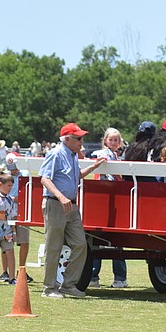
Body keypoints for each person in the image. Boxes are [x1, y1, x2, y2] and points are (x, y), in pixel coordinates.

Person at [39, 123, 106, 298]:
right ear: (67, 139)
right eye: (78, 138)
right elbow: (44, 179)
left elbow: (75, 176)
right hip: (55, 204)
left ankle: (68, 285)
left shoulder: (72, 155)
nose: (81, 142)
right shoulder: (55, 154)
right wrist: (61, 197)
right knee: (53, 247)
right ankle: (49, 289)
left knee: (80, 244)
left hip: (71, 206)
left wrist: (92, 168)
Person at [89, 128, 128, 288]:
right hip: (106, 196)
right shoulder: (103, 154)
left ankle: (100, 276)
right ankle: (114, 277)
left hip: (109, 196)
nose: (113, 142)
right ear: (105, 140)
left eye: (115, 140)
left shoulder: (116, 155)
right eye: (110, 139)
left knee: (103, 239)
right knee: (105, 239)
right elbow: (114, 174)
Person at [5, 152, 33, 283]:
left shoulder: (26, 176)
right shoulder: (5, 177)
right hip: (8, 212)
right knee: (7, 242)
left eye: (15, 168)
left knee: (24, 242)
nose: (13, 171)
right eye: (11, 169)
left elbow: (28, 195)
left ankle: (21, 270)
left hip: (23, 213)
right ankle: (6, 272)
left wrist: (15, 199)